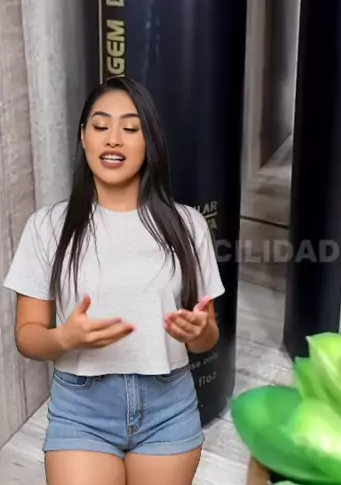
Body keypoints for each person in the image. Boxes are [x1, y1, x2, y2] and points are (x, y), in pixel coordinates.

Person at [3, 75, 225, 485]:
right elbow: (27, 337)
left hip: (168, 407)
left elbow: (207, 337)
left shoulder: (188, 225)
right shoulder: (47, 227)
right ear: (83, 136)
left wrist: (198, 331)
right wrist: (65, 338)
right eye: (101, 126)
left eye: (131, 128)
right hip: (82, 409)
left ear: (149, 141)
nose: (114, 139)